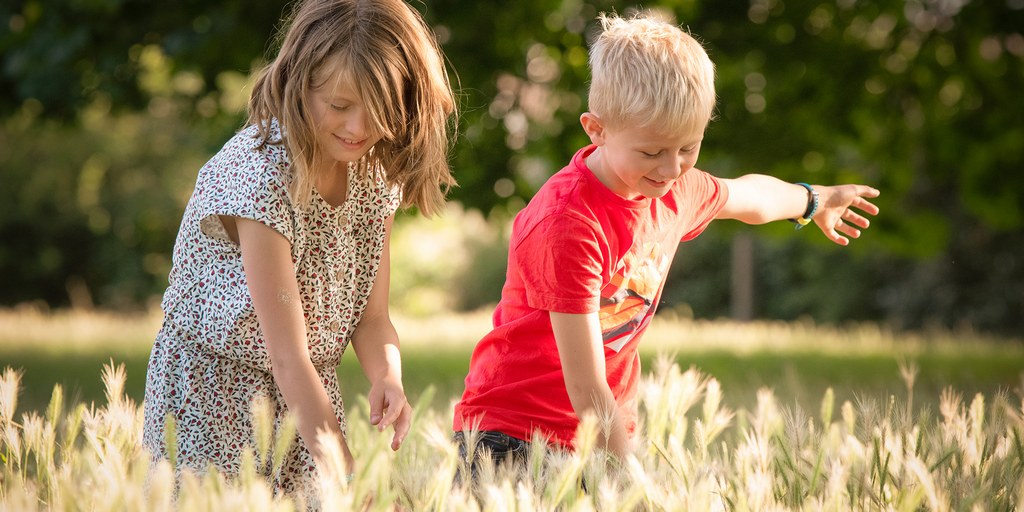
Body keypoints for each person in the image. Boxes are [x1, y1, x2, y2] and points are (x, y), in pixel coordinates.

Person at [452, 11, 880, 477]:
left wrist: (813, 201)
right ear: (596, 129)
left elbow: (751, 197)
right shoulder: (568, 222)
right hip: (509, 436)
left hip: (596, 431)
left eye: (688, 148)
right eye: (651, 152)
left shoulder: (676, 187)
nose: (672, 168)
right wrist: (628, 477)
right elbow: (586, 382)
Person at [142, 0, 457, 497]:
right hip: (213, 400)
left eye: (379, 112)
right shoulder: (261, 177)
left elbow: (372, 318)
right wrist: (352, 478)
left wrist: (387, 376)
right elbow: (286, 353)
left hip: (306, 399)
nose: (358, 128)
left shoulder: (373, 179)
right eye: (339, 106)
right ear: (299, 81)